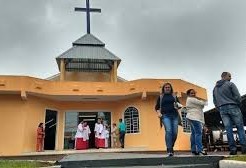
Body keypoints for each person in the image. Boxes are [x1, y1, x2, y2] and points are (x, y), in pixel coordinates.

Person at [213, 72, 246, 155]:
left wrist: (219, 108)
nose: (231, 77)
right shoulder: (230, 84)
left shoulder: (215, 88)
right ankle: (244, 149)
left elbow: (215, 101)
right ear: (224, 76)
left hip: (222, 109)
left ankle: (233, 150)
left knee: (228, 130)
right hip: (233, 106)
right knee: (240, 128)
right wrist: (238, 104)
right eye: (229, 76)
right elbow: (238, 96)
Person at [155, 82, 181, 157]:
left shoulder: (174, 96)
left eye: (168, 87)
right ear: (163, 88)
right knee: (169, 131)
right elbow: (156, 107)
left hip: (175, 116)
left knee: (175, 133)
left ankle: (171, 145)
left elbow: (178, 105)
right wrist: (159, 113)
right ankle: (169, 149)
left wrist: (178, 107)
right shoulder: (161, 96)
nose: (167, 88)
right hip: (165, 116)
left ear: (171, 88)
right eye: (166, 87)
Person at [186, 89, 207, 155]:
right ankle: (200, 150)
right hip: (195, 118)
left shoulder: (191, 100)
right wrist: (202, 102)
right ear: (188, 94)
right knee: (198, 133)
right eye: (192, 93)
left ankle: (193, 150)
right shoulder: (191, 99)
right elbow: (203, 103)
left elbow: (201, 106)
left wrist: (201, 104)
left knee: (194, 134)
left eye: (194, 93)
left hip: (191, 117)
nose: (193, 94)